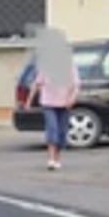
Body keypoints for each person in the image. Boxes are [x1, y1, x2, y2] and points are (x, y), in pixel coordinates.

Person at [30, 43, 80, 171]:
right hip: (48, 103)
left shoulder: (70, 66)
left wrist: (72, 98)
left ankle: (57, 158)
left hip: (64, 103)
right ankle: (51, 159)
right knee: (52, 129)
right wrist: (29, 101)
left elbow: (76, 84)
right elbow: (37, 83)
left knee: (61, 131)